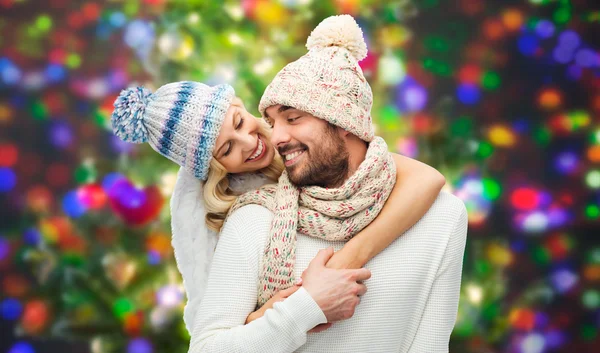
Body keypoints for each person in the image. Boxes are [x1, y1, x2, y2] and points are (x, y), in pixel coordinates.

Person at [186, 15, 468, 353]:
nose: (275, 137)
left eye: (293, 118)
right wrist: (306, 307)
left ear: (343, 121)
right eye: (272, 122)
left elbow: (431, 345)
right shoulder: (255, 219)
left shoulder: (442, 215)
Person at [111, 55, 445, 336]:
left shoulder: (305, 140)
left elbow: (426, 178)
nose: (250, 143)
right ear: (215, 169)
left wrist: (348, 261)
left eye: (240, 122)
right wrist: (279, 311)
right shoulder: (239, 216)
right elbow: (220, 328)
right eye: (227, 148)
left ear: (241, 106)